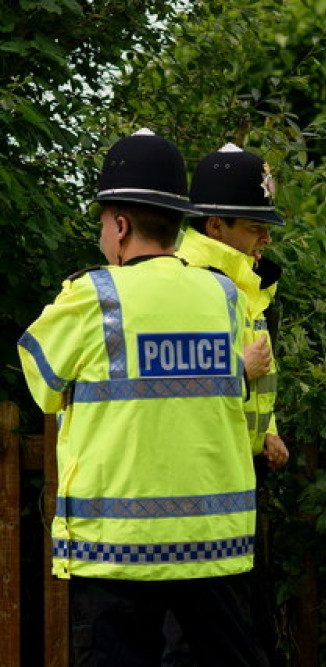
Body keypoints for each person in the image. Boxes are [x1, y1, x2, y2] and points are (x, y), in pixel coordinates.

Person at [17, 129, 267, 666]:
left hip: (116, 548)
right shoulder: (224, 297)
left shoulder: (93, 297)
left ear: (122, 225)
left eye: (105, 221)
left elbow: (41, 383)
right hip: (210, 547)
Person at [169, 142, 290, 666]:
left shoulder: (238, 281)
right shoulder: (195, 282)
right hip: (201, 476)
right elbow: (181, 383)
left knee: (233, 621)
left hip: (238, 466)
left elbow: (256, 372)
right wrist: (236, 370)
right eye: (254, 226)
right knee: (198, 634)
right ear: (215, 226)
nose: (265, 237)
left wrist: (268, 428)